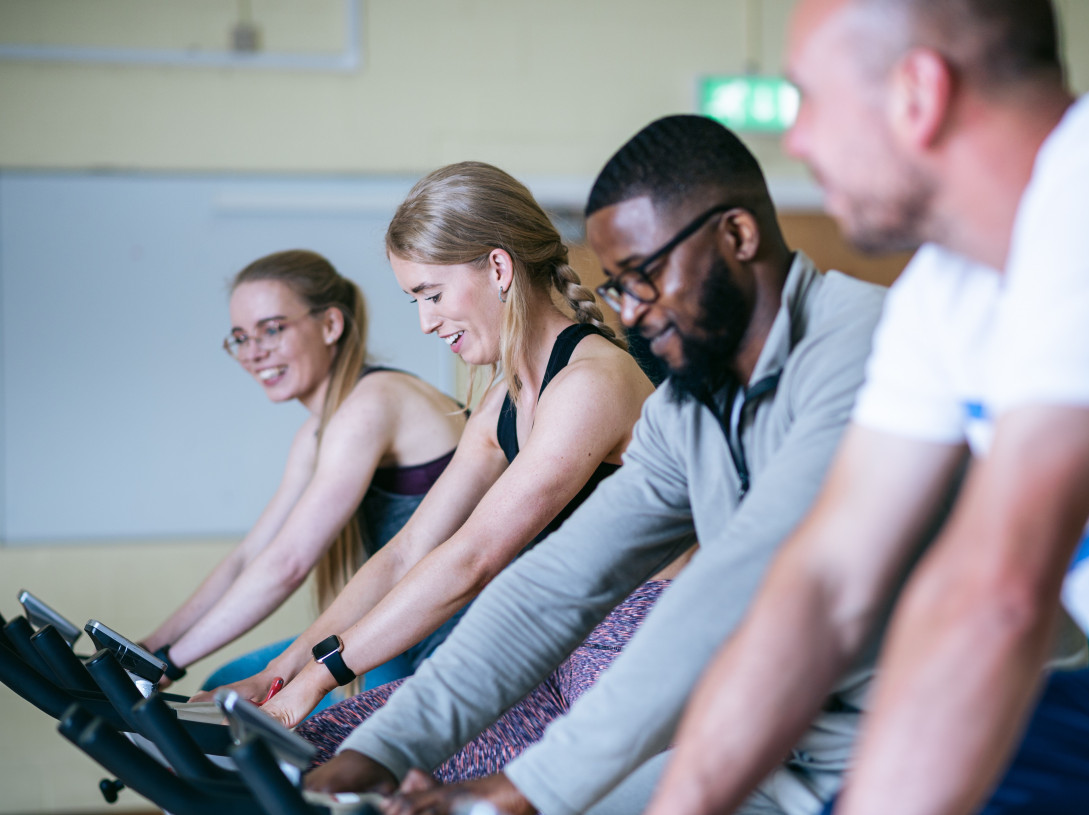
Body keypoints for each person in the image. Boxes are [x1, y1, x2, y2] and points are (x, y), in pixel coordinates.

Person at [648, 0, 1089, 814]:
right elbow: (826, 580)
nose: (796, 139)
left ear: (917, 95)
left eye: (808, 98)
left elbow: (995, 588)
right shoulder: (946, 288)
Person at [302, 114, 896, 815]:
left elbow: (743, 582)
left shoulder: (866, 347)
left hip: (902, 748)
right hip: (771, 745)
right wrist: (382, 747)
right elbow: (555, 586)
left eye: (645, 275)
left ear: (736, 235)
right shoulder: (690, 406)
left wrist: (526, 787)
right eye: (617, 285)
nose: (633, 313)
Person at [203, 161, 654, 729]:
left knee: (348, 754)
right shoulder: (502, 402)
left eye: (432, 294)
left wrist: (322, 676)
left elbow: (473, 558)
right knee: (322, 741)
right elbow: (407, 549)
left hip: (632, 656)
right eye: (415, 300)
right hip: (563, 655)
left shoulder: (590, 384)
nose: (426, 322)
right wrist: (286, 672)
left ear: (497, 267)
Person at [141, 249, 466, 693]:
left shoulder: (371, 403)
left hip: (459, 644)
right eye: (240, 337)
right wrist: (151, 649)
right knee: (224, 684)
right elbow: (250, 557)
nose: (254, 353)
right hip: (409, 629)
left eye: (272, 330)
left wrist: (172, 663)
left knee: (236, 704)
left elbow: (288, 564)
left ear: (331, 325)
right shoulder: (317, 433)